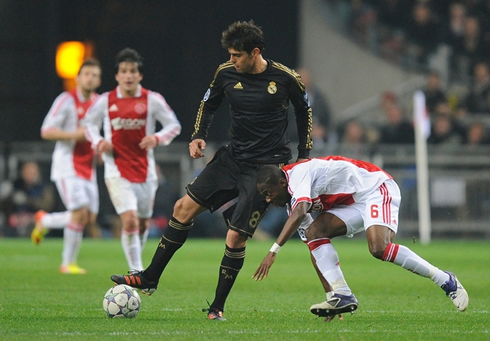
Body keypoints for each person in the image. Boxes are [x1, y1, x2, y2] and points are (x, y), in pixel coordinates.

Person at [111, 20, 314, 321]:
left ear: (255, 52)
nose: (231, 60)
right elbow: (208, 104)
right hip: (232, 159)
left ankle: (217, 307)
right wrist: (198, 135)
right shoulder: (225, 74)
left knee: (235, 238)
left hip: (266, 170)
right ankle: (150, 276)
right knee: (182, 207)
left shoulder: (285, 78)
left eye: (237, 55)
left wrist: (303, 157)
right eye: (230, 54)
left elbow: (304, 111)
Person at [252, 156, 469, 319]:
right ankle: (343, 294)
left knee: (379, 248)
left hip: (376, 188)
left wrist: (273, 251)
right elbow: (314, 248)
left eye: (268, 193)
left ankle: (445, 279)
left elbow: (301, 212)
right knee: (314, 234)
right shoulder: (294, 205)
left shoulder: (297, 175)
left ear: (281, 184)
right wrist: (331, 297)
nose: (269, 200)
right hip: (355, 202)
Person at [84, 48, 181, 271]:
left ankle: (136, 266)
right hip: (116, 169)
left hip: (145, 171)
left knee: (143, 223)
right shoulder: (105, 101)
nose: (128, 75)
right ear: (117, 76)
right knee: (129, 221)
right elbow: (88, 124)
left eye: (133, 71)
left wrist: (157, 138)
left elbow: (174, 125)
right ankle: (136, 271)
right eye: (124, 71)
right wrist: (99, 142)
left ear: (140, 75)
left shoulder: (152, 100)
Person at [31, 58, 102, 274]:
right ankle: (67, 263)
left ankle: (45, 220)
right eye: (87, 74)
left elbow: (96, 132)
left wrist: (98, 148)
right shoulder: (66, 100)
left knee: (89, 218)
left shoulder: (99, 102)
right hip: (67, 165)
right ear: (78, 78)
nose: (90, 78)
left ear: (99, 80)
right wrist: (76, 135)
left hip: (88, 168)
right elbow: (46, 130)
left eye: (95, 75)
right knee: (79, 212)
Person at [1, 161, 56, 238]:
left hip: (35, 222)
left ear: (37, 173)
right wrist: (6, 196)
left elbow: (47, 205)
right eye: (27, 172)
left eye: (32, 172)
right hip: (15, 222)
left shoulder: (44, 187)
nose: (30, 175)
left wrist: (27, 200)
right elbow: (4, 207)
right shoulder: (16, 185)